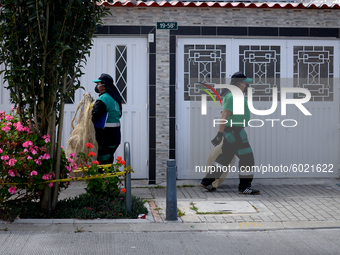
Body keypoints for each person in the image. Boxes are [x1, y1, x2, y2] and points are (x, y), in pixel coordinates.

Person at [200, 71, 260, 195]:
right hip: (235, 133)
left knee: (224, 159)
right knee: (248, 159)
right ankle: (244, 187)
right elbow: (225, 115)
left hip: (233, 132)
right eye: (244, 83)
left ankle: (207, 181)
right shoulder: (233, 96)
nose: (246, 85)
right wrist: (219, 134)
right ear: (238, 83)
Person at [92, 73, 123, 164]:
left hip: (105, 137)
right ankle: (108, 178)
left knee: (102, 164)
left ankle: (102, 178)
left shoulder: (103, 99)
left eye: (99, 84)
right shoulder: (115, 98)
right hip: (115, 136)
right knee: (108, 160)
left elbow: (94, 116)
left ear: (104, 86)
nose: (97, 86)